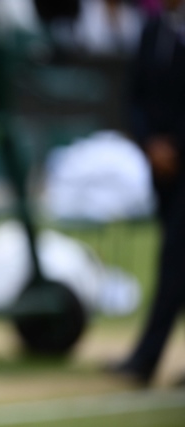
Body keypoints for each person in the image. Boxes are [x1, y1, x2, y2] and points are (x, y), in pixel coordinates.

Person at [108, 0, 185, 386]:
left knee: (174, 261)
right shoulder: (153, 31)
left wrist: (176, 146)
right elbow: (134, 95)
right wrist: (151, 144)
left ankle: (145, 360)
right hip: (163, 171)